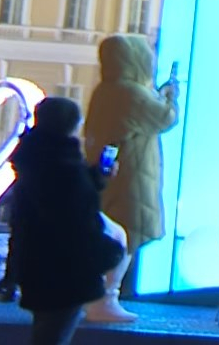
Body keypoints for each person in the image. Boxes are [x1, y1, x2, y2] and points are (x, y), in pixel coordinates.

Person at [11, 96, 131, 345]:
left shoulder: (38, 158)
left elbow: (59, 201)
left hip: (38, 266)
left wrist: (95, 176)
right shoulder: (65, 168)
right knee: (52, 336)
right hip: (64, 273)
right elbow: (76, 222)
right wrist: (110, 252)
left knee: (46, 333)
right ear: (72, 124)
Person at [82, 33, 179, 303]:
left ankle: (107, 294)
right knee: (128, 237)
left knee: (116, 235)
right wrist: (170, 97)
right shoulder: (130, 92)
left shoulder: (105, 90)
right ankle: (113, 297)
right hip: (132, 177)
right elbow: (164, 118)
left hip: (110, 177)